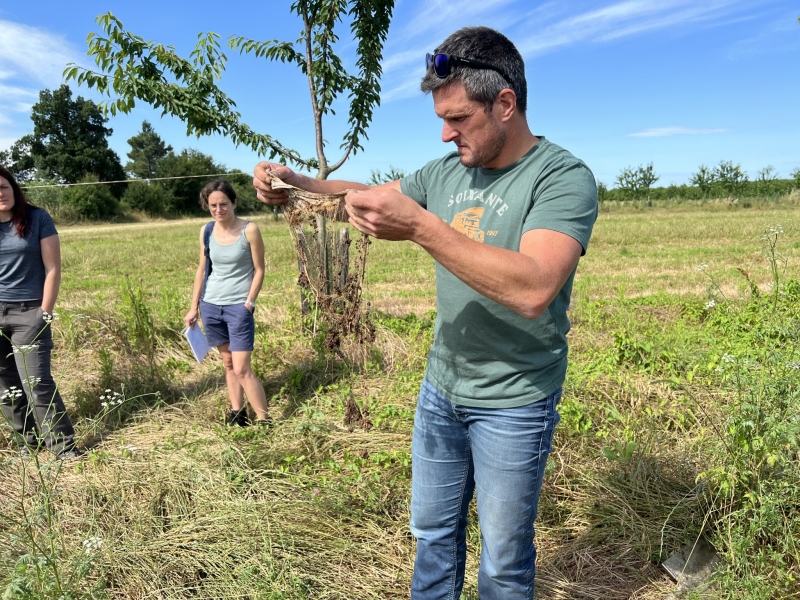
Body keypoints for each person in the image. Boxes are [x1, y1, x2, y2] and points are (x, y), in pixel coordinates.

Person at [253, 26, 597, 599]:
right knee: (433, 539)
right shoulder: (446, 173)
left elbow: (535, 287)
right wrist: (296, 186)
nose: (445, 134)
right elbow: (365, 197)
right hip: (441, 390)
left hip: (514, 401)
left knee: (503, 563)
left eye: (458, 118)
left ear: (505, 104)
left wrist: (420, 226)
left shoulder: (560, 177)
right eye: (442, 118)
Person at [0, 166, 82, 461]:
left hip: (28, 312)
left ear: (14, 188)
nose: (0, 194)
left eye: (3, 187)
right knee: (5, 386)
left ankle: (63, 446)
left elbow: (53, 269)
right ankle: (28, 442)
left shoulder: (37, 219)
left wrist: (43, 314)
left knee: (37, 382)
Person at [183, 179, 271, 428]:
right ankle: (237, 414)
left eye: (223, 204)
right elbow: (201, 270)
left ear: (234, 203)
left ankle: (265, 420)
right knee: (229, 363)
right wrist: (194, 308)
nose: (218, 209)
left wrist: (249, 302)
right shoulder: (207, 231)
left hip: (238, 308)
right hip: (210, 306)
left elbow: (260, 269)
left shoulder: (249, 230)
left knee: (242, 368)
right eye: (213, 205)